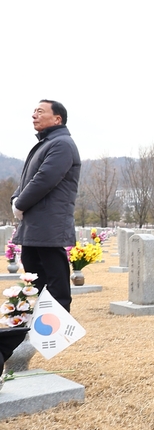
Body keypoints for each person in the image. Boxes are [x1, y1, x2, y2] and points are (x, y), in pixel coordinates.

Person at [11, 99, 81, 314]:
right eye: (34, 111)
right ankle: (29, 324)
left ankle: (58, 328)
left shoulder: (62, 144)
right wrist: (16, 199)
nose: (34, 115)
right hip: (35, 225)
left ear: (57, 118)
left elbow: (44, 179)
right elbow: (27, 180)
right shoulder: (45, 143)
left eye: (40, 111)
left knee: (56, 281)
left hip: (49, 226)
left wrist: (20, 204)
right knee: (34, 280)